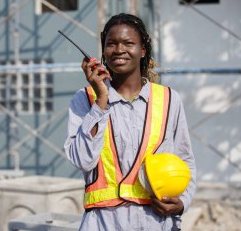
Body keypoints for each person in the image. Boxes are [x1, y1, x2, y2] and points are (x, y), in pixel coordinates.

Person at [64, 13, 196, 231]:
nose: (119, 50)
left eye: (128, 43)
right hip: (102, 223)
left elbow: (185, 160)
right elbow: (82, 160)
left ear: (142, 50)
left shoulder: (169, 99)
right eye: (111, 44)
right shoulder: (85, 99)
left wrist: (183, 203)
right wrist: (101, 102)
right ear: (103, 51)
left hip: (156, 222)